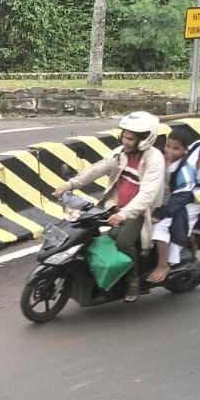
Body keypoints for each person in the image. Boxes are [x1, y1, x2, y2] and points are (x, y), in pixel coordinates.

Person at [54, 111, 166, 302]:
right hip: (115, 206)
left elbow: (147, 195)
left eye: (131, 138)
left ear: (146, 138)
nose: (126, 141)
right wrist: (70, 184)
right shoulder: (121, 153)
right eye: (124, 136)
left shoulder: (154, 159)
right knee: (91, 234)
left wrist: (123, 215)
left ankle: (133, 282)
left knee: (123, 242)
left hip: (138, 212)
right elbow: (98, 168)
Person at [147, 131, 198, 284]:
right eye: (168, 146)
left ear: (185, 151)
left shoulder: (185, 172)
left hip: (175, 207)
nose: (169, 151)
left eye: (175, 148)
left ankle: (163, 265)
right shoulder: (160, 160)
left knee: (159, 228)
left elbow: (180, 198)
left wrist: (161, 213)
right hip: (157, 201)